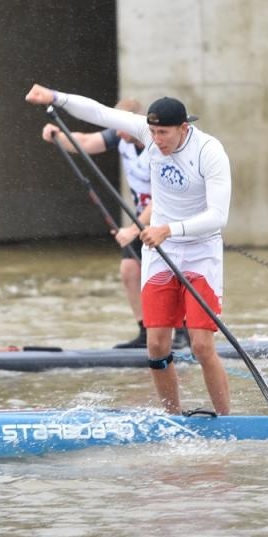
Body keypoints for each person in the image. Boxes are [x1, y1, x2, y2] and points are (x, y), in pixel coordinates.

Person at [27, 84, 232, 414]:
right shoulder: (146, 134)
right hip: (161, 252)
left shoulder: (209, 151)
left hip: (200, 252)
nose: (157, 139)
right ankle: (173, 419)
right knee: (155, 345)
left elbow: (217, 217)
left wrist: (168, 229)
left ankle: (226, 420)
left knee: (201, 345)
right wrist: (54, 97)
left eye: (164, 133)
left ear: (184, 128)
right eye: (152, 132)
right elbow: (98, 111)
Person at [42, 98, 188, 350]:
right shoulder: (121, 137)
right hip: (142, 221)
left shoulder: (162, 146)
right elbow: (86, 142)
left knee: (169, 276)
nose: (118, 131)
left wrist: (133, 230)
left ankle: (183, 333)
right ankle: (145, 332)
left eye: (123, 125)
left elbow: (161, 200)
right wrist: (58, 136)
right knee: (129, 271)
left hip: (169, 220)